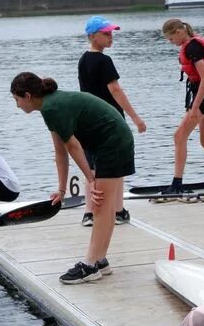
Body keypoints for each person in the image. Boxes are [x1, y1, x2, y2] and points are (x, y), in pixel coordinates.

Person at [10, 72, 135, 285]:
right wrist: (61, 190)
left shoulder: (52, 107)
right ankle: (100, 260)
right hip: (108, 141)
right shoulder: (48, 108)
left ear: (28, 96)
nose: (17, 105)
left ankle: (89, 265)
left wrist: (91, 179)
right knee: (102, 205)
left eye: (17, 100)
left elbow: (73, 146)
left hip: (113, 141)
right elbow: (60, 151)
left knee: (100, 205)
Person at [78, 15, 146, 228]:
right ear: (92, 36)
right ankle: (118, 210)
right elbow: (115, 90)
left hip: (88, 118)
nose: (110, 37)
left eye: (111, 33)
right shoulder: (104, 61)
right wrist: (135, 118)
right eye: (105, 34)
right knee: (116, 165)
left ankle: (89, 212)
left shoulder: (83, 60)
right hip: (110, 120)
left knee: (91, 167)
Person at [160, 18, 204, 198]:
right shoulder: (191, 45)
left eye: (170, 39)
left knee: (179, 136)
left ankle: (177, 184)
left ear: (179, 32)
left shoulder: (193, 48)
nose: (170, 42)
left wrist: (195, 107)